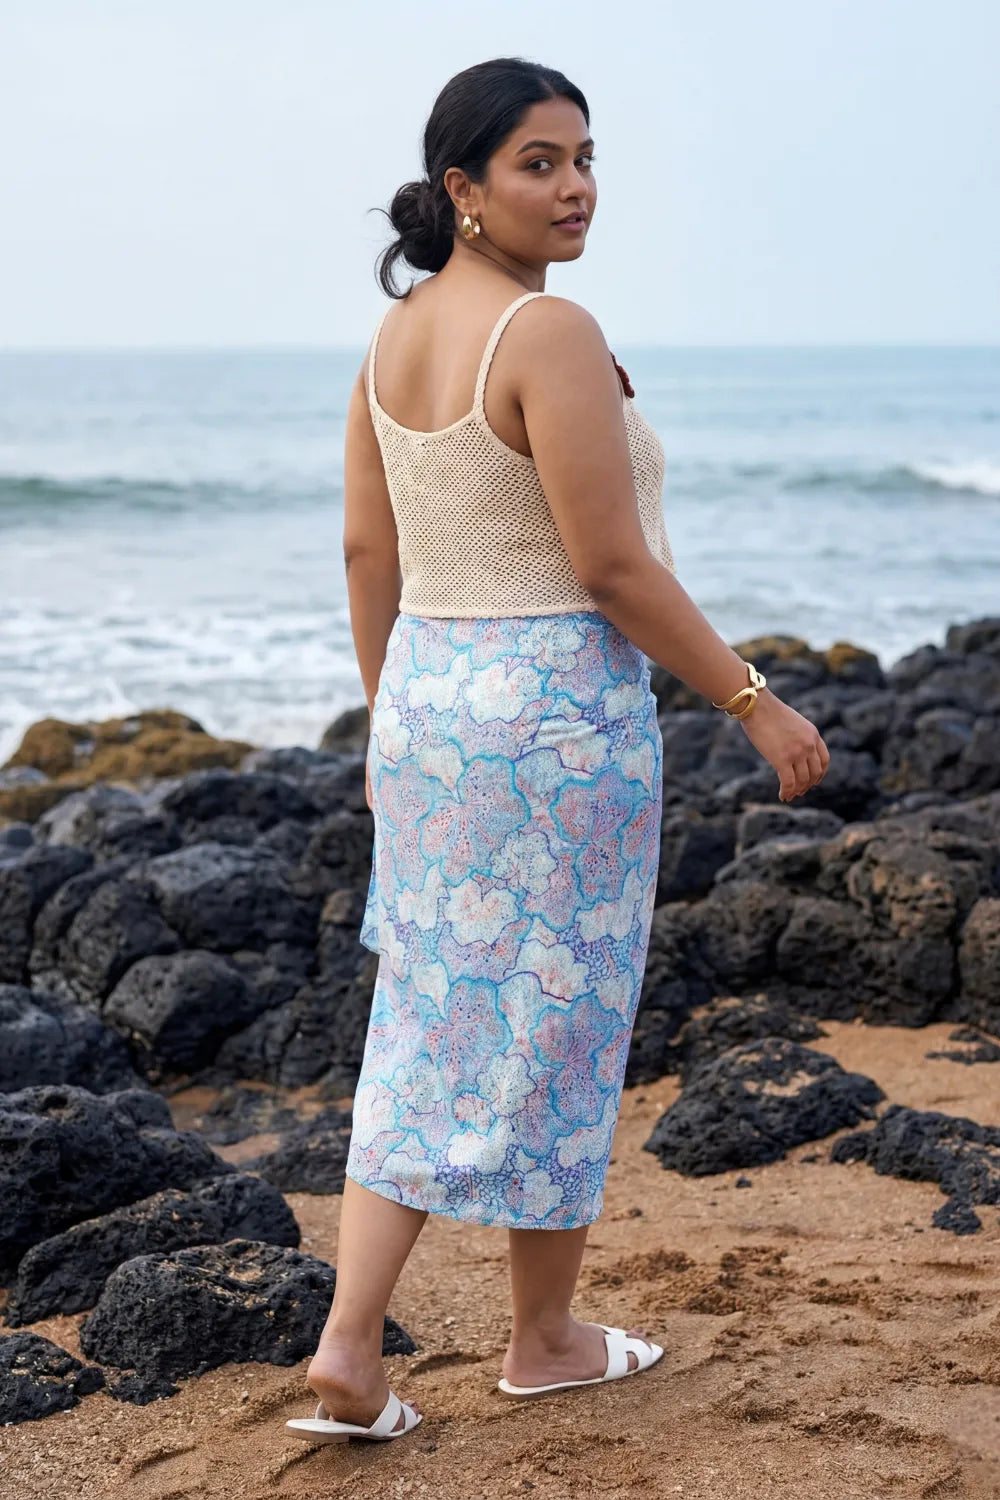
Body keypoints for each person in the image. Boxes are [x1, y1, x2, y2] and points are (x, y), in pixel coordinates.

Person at [286, 56, 829, 1445]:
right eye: (540, 162)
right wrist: (752, 699)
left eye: (585, 159)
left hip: (428, 704)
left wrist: (392, 721)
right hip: (556, 725)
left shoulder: (393, 340)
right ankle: (541, 1339)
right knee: (563, 1022)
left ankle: (351, 1343)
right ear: (463, 188)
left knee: (422, 1021)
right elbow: (610, 567)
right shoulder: (549, 331)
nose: (576, 186)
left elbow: (366, 551)